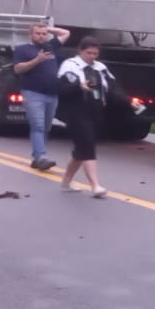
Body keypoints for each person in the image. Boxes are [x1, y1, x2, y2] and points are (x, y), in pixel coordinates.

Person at [56, 38, 115, 198]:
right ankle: (95, 185)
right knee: (88, 145)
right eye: (88, 53)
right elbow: (61, 89)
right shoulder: (70, 66)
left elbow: (114, 89)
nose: (92, 56)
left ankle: (66, 182)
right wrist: (78, 86)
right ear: (80, 51)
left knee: (81, 149)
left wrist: (130, 102)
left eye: (95, 53)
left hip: (94, 112)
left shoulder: (100, 67)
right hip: (75, 111)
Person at [12, 20, 70, 170]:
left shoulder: (51, 46)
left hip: (52, 94)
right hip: (33, 93)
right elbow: (18, 69)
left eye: (44, 34)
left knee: (46, 127)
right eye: (38, 33)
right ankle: (42, 157)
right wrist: (37, 60)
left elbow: (66, 33)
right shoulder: (22, 49)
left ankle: (37, 157)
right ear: (30, 34)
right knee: (37, 125)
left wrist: (48, 28)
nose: (41, 36)